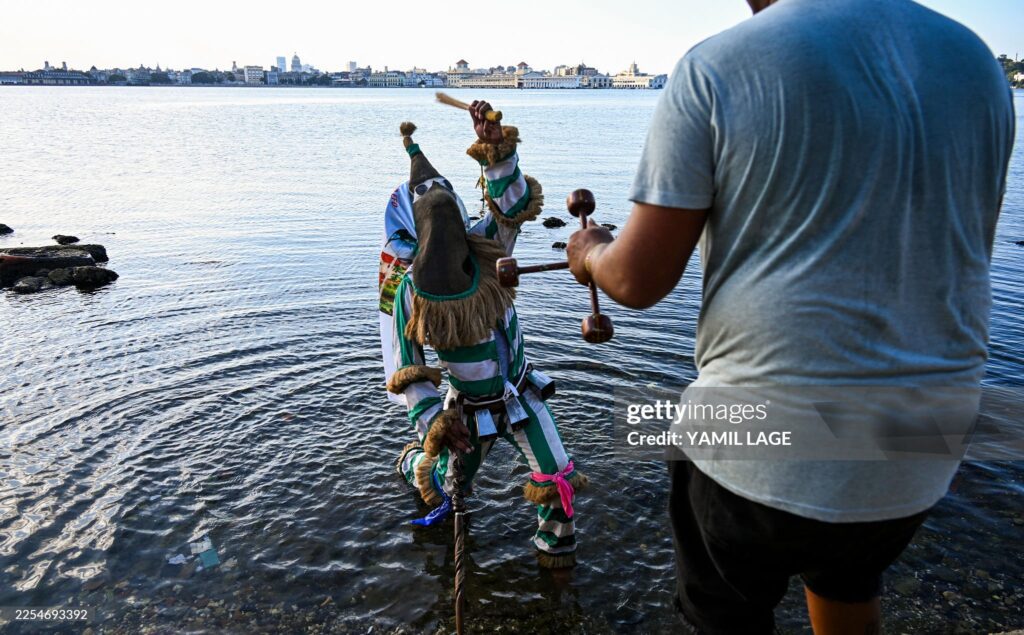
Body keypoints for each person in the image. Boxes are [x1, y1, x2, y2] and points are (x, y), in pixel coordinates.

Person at [567, 0, 1014, 632]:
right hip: (925, 440)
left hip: (764, 443)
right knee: (848, 574)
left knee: (722, 610)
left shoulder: (716, 66)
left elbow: (637, 281)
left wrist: (589, 254)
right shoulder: (975, 62)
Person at [378, 102, 587, 569]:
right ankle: (416, 464)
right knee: (450, 486)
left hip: (520, 392)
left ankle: (557, 559)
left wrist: (494, 148)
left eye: (447, 209)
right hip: (465, 413)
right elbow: (411, 372)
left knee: (556, 476)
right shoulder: (411, 291)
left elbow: (511, 206)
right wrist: (435, 424)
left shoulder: (490, 244)